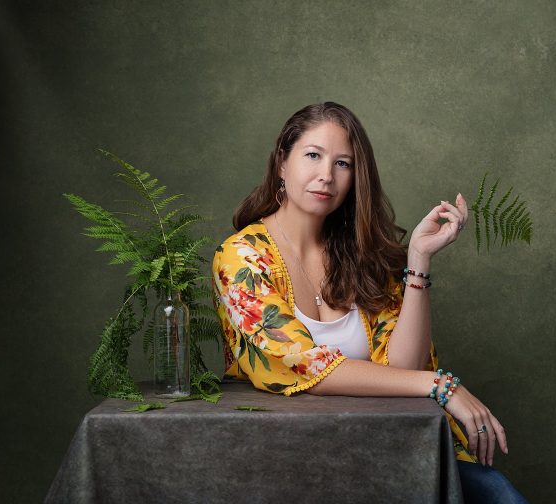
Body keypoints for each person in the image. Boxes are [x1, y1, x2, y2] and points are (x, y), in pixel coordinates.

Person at [212, 102, 528, 503]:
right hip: (288, 457)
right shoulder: (240, 258)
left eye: (343, 163)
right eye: (313, 156)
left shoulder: (363, 256)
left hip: (390, 446)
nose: (326, 175)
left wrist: (418, 260)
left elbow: (403, 369)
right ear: (281, 163)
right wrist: (441, 386)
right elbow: (307, 367)